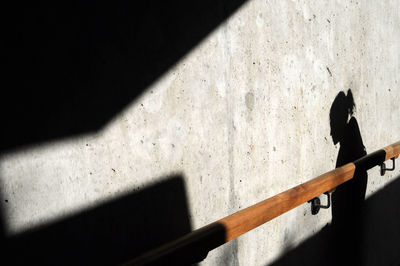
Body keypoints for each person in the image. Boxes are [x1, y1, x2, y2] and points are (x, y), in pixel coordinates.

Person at [329, 89, 367, 265]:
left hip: (350, 207)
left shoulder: (351, 134)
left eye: (333, 122)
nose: (331, 132)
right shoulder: (352, 133)